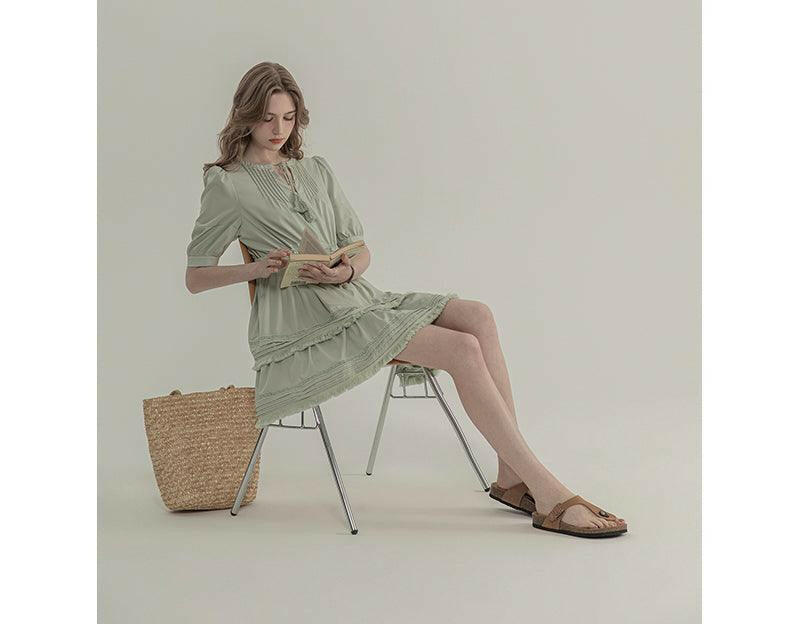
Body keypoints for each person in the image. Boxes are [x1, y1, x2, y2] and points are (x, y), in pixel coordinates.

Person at [185, 61, 627, 538]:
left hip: (354, 297)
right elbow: (195, 277)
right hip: (303, 323)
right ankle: (548, 491)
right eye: (268, 117)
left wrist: (345, 270)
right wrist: (256, 269)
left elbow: (360, 249)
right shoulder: (228, 184)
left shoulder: (315, 170)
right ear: (246, 114)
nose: (279, 129)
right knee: (462, 349)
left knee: (478, 316)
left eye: (289, 118)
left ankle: (510, 478)